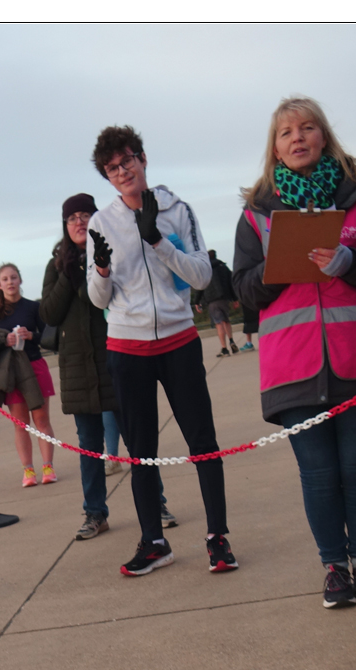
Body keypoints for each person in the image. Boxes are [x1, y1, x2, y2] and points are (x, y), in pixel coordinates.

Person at [232, 96, 356, 607]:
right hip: (293, 364)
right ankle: (333, 567)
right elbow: (242, 289)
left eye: (307, 128)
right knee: (320, 473)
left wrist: (350, 261)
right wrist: (274, 268)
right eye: (286, 133)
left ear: (324, 135)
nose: (298, 137)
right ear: (275, 148)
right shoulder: (257, 213)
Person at [87, 124, 237, 576]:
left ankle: (218, 538)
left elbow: (202, 276)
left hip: (178, 339)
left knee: (202, 441)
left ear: (143, 158)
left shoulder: (177, 209)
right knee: (142, 451)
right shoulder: (101, 222)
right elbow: (98, 299)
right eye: (112, 168)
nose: (122, 171)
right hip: (128, 346)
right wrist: (100, 267)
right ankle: (153, 540)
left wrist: (157, 241)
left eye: (127, 160)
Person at [40, 193, 179, 540]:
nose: (79, 222)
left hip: (116, 358)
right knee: (89, 446)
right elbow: (50, 314)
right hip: (77, 369)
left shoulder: (109, 249)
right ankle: (95, 513)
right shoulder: (55, 263)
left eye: (86, 215)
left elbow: (105, 296)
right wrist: (66, 275)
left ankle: (156, 502)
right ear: (64, 224)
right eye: (72, 218)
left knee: (136, 440)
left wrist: (91, 268)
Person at [0, 263, 57, 486]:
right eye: (5, 279)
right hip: (11, 372)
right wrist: (3, 340)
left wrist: (31, 335)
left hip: (34, 365)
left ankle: (48, 467)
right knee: (20, 423)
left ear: (20, 281)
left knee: (42, 420)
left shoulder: (33, 307)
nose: (10, 282)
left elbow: (47, 336)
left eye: (13, 278)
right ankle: (28, 470)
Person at [192, 249, 238, 356]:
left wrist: (197, 301)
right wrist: (235, 299)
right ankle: (231, 340)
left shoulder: (205, 270)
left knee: (218, 323)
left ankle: (224, 348)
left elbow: (201, 286)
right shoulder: (223, 267)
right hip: (224, 298)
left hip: (212, 300)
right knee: (226, 320)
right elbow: (231, 283)